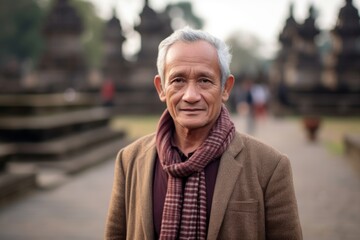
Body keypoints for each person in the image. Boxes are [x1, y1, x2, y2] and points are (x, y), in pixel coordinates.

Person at [105, 27, 302, 240]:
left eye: (204, 80)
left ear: (226, 88)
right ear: (161, 88)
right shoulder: (130, 160)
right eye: (178, 80)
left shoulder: (269, 167)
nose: (190, 96)